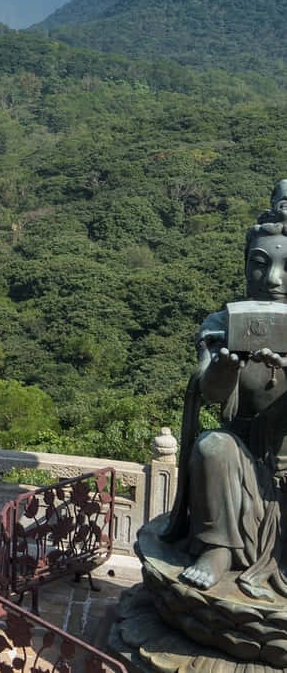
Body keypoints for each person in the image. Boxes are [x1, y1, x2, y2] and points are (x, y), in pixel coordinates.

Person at [164, 182, 287, 597]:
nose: (273, 279)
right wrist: (224, 365)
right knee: (212, 446)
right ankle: (218, 547)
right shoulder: (222, 323)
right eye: (259, 264)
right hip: (239, 464)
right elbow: (210, 393)